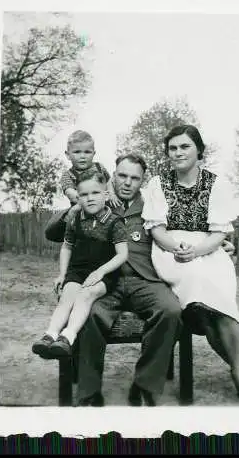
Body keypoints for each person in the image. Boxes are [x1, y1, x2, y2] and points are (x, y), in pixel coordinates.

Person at [141, 124, 239, 406]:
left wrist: (197, 250)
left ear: (199, 150)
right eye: (172, 148)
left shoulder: (217, 184)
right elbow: (156, 229)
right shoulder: (157, 184)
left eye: (184, 146)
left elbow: (219, 233)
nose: (178, 152)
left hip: (208, 250)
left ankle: (237, 371)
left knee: (216, 298)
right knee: (197, 282)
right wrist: (178, 249)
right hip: (170, 252)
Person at [75, 154, 182, 407]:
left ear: (142, 180)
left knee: (171, 310)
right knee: (89, 314)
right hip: (106, 281)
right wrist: (76, 204)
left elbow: (183, 230)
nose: (127, 182)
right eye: (122, 176)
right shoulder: (97, 198)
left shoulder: (152, 203)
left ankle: (144, 384)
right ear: (113, 175)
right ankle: (89, 391)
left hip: (145, 279)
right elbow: (55, 230)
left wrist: (220, 243)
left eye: (135, 178)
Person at [32, 170, 128, 359]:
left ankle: (68, 337)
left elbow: (122, 255)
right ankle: (50, 335)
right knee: (67, 296)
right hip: (78, 270)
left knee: (85, 294)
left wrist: (101, 272)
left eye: (95, 193)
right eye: (83, 194)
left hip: (105, 274)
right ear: (78, 197)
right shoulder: (75, 220)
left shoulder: (114, 222)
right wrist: (62, 274)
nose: (89, 198)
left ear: (106, 195)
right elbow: (67, 247)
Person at [44, 130, 122, 242]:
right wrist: (87, 198)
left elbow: (109, 182)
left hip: (103, 207)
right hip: (82, 210)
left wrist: (112, 193)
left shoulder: (100, 167)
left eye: (87, 152)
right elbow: (71, 193)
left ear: (94, 153)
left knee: (116, 215)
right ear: (68, 155)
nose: (82, 156)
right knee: (79, 234)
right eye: (77, 152)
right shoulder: (68, 175)